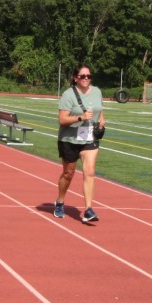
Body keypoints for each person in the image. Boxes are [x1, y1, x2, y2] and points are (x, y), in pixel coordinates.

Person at [53, 65, 106, 223]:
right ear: (75, 78)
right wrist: (80, 118)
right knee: (68, 174)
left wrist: (102, 122)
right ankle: (60, 201)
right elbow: (62, 120)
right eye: (82, 76)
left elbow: (100, 111)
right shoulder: (68, 95)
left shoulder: (97, 92)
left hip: (89, 139)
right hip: (69, 139)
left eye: (89, 76)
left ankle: (88, 209)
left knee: (89, 172)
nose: (86, 79)